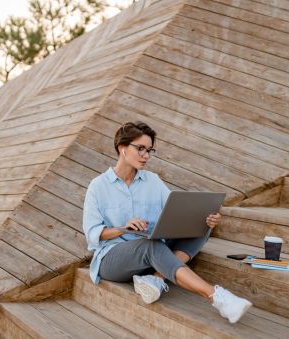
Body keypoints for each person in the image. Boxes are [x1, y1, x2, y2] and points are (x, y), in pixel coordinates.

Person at [82, 121, 252, 324]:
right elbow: (93, 234)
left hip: (151, 250)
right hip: (112, 259)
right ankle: (218, 298)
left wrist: (205, 218)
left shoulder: (152, 180)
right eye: (141, 149)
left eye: (150, 150)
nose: (146, 155)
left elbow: (176, 212)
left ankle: (156, 278)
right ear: (122, 148)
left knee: (202, 225)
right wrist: (122, 228)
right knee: (149, 246)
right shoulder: (98, 186)